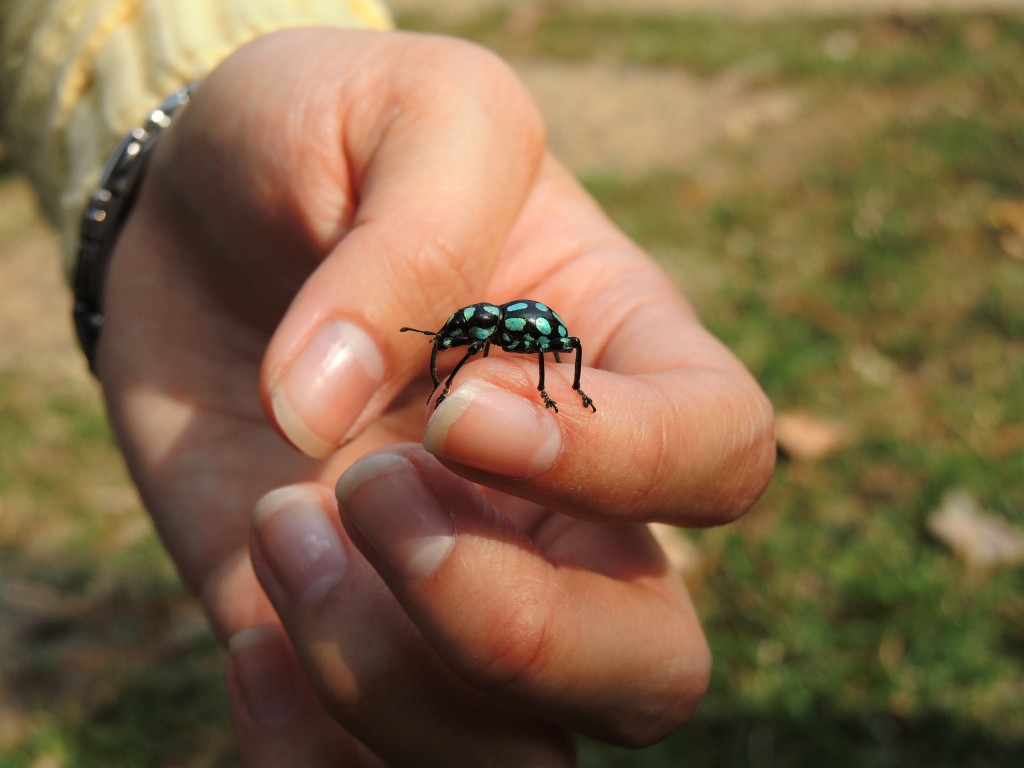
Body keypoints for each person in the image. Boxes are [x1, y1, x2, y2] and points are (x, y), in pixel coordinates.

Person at [1, 3, 776, 765]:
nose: (453, 346)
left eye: (456, 341)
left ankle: (552, 398)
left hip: (542, 343)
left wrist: (553, 392)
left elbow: (531, 339)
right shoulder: (474, 329)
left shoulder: (505, 329)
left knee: (523, 383)